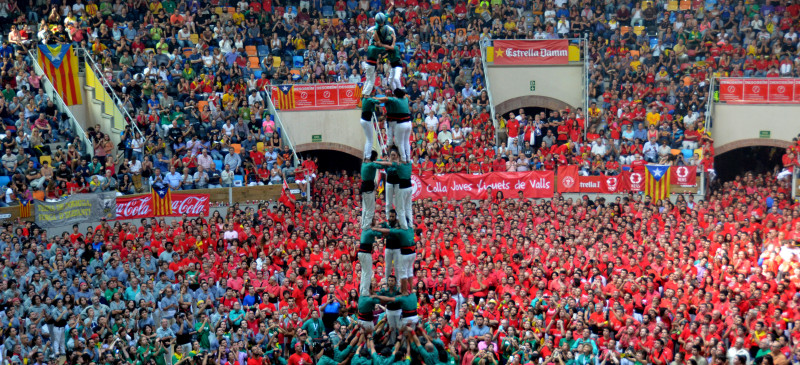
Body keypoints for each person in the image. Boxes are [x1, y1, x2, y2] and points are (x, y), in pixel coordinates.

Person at [376, 90, 412, 164]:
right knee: (403, 141)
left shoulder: (394, 100)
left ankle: (404, 159)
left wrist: (372, 98)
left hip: (397, 122)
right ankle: (406, 158)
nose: (388, 94)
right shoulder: (404, 99)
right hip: (403, 121)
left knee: (400, 142)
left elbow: (384, 100)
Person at [360, 151, 382, 231]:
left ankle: (364, 225)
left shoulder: (364, 164)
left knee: (365, 208)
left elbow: (376, 162)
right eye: (376, 157)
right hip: (368, 189)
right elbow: (379, 166)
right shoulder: (371, 165)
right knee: (370, 209)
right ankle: (366, 227)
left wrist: (380, 160)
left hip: (364, 188)